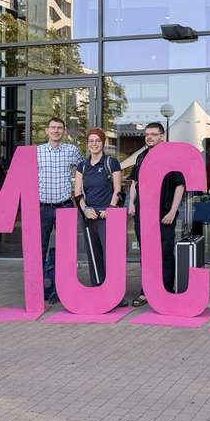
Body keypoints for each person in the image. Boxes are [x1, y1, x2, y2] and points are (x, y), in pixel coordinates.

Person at [128, 122, 186, 307]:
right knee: (146, 254)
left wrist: (173, 211)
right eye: (147, 134)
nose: (149, 137)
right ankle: (147, 291)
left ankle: (166, 292)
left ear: (162, 136)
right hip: (143, 215)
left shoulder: (172, 156)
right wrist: (131, 203)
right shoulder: (141, 157)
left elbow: (180, 185)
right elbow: (134, 183)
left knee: (166, 253)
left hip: (163, 215)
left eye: (153, 134)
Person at [74, 127, 127, 305]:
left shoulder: (111, 163)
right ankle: (99, 289)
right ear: (87, 144)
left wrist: (110, 209)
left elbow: (118, 190)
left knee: (110, 255)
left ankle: (115, 294)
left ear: (103, 143)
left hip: (107, 215)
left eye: (97, 140)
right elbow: (77, 193)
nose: (94, 144)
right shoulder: (82, 165)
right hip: (89, 216)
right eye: (91, 141)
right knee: (93, 254)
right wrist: (85, 209)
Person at [37, 117, 83, 294]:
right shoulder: (37, 152)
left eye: (59, 128)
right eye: (53, 128)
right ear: (47, 130)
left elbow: (83, 171)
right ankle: (41, 288)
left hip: (65, 207)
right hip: (42, 208)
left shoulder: (72, 150)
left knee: (66, 250)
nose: (56, 131)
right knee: (40, 247)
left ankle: (64, 288)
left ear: (64, 132)